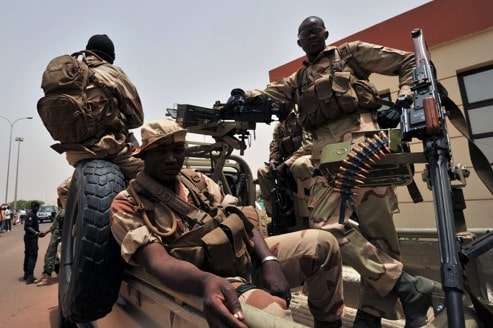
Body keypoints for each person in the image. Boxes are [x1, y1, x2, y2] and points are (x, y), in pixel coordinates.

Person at [228, 16, 443, 328]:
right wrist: (242, 95)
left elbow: (408, 61)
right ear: (299, 42)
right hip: (325, 153)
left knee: (379, 236)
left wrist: (405, 97)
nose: (311, 36)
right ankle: (411, 288)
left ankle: (372, 315)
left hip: (364, 141)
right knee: (327, 229)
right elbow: (270, 92)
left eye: (316, 31)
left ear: (325, 34)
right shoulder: (298, 79)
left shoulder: (350, 54)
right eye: (305, 34)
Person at [110, 119, 344, 328]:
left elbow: (240, 219)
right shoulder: (128, 203)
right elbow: (157, 261)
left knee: (322, 243)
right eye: (161, 152)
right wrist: (205, 281)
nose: (171, 159)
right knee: (269, 314)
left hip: (238, 257)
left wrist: (269, 261)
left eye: (177, 150)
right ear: (143, 156)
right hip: (201, 278)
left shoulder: (197, 181)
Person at [55, 34, 144, 208]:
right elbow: (138, 118)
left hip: (76, 154)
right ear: (110, 57)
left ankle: (70, 232)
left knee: (64, 190)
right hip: (110, 149)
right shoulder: (112, 73)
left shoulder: (70, 75)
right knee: (155, 175)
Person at [34, 198, 64, 287]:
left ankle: (47, 278)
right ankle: (44, 275)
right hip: (55, 235)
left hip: (58, 237)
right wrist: (46, 232)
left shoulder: (63, 212)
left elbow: (59, 227)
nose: (58, 201)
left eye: (59, 200)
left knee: (50, 256)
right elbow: (54, 226)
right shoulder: (60, 211)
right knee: (48, 255)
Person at [23, 201, 46, 284]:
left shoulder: (32, 214)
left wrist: (39, 233)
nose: (36, 209)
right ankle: (30, 276)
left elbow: (33, 228)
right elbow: (28, 226)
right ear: (36, 207)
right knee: (32, 255)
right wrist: (36, 233)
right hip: (31, 238)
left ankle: (26, 273)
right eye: (36, 207)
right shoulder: (31, 215)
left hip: (30, 238)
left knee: (28, 254)